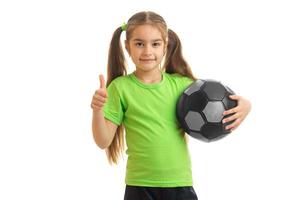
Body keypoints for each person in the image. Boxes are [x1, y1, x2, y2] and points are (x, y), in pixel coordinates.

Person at [91, 11, 251, 200]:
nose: (148, 51)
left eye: (155, 44)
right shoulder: (120, 88)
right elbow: (103, 141)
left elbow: (217, 102)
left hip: (179, 184)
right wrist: (98, 110)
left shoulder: (184, 86)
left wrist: (246, 105)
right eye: (139, 44)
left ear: (165, 46)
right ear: (127, 47)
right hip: (140, 185)